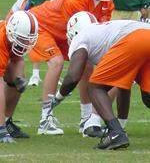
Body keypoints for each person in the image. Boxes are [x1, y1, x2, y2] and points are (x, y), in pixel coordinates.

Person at [27, 0, 118, 135]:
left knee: (87, 66)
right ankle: (45, 120)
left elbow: (99, 33)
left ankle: (86, 120)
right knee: (56, 62)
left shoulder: (107, 4)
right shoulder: (77, 0)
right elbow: (84, 37)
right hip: (42, 26)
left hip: (62, 32)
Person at [49, 11, 150, 150]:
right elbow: (123, 86)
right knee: (148, 96)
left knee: (95, 87)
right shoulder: (102, 32)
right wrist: (121, 124)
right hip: (145, 33)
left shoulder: (82, 37)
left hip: (135, 38)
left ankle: (116, 134)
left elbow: (73, 77)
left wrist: (58, 97)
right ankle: (118, 131)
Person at [0, 10, 38, 143]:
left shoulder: (10, 37)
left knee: (17, 78)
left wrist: (18, 80)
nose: (25, 42)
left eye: (28, 39)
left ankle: (6, 120)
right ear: (11, 32)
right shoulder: (1, 41)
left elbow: (18, 60)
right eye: (22, 39)